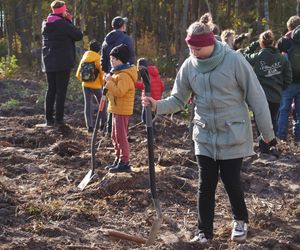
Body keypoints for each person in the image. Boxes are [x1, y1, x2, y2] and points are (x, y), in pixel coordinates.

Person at [142, 14, 276, 243]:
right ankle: (204, 231)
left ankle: (240, 219)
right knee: (205, 184)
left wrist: (268, 135)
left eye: (197, 49)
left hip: (233, 132)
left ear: (210, 43)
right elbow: (177, 100)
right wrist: (156, 105)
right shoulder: (189, 66)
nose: (194, 53)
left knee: (231, 181)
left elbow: (257, 96)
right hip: (204, 134)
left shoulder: (234, 60)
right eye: (191, 48)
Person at [242, 30, 292, 155]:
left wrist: (254, 44)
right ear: (273, 42)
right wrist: (281, 88)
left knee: (260, 121)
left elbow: (244, 55)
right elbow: (288, 78)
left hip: (259, 96)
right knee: (272, 121)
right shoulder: (282, 58)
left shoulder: (258, 56)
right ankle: (271, 147)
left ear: (261, 43)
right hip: (276, 96)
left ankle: (264, 148)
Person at [39, 0, 83, 127]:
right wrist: (69, 21)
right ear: (62, 11)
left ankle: (48, 120)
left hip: (48, 62)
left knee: (51, 90)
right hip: (63, 62)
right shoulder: (64, 24)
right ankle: (59, 120)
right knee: (61, 91)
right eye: (65, 9)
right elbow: (78, 35)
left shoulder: (45, 23)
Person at [104, 44, 138, 173]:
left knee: (120, 136)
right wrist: (107, 82)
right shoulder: (117, 74)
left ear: (121, 59)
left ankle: (124, 161)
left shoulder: (124, 75)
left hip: (122, 110)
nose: (111, 61)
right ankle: (118, 158)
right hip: (116, 109)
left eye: (114, 59)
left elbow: (119, 92)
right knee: (114, 135)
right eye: (111, 59)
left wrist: (110, 82)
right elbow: (111, 92)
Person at [101, 16, 135, 135]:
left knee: (111, 101)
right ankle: (119, 133)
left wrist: (107, 72)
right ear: (123, 26)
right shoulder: (127, 39)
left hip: (109, 74)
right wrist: (131, 71)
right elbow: (130, 58)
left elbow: (103, 59)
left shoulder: (106, 40)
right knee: (121, 102)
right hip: (122, 73)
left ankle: (109, 129)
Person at [276, 16, 300, 143]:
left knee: (284, 109)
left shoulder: (284, 41)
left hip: (288, 82)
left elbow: (276, 59)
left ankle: (281, 136)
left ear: (289, 27)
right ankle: (298, 138)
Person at [76, 40, 106, 133]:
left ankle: (89, 126)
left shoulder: (84, 57)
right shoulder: (98, 58)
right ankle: (103, 124)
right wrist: (103, 83)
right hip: (96, 85)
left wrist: (84, 80)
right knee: (102, 104)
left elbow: (78, 73)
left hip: (85, 85)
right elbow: (102, 73)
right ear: (98, 50)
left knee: (87, 104)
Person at [135, 58, 164, 132]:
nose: (138, 70)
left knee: (145, 118)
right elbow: (162, 87)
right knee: (151, 118)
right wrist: (158, 96)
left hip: (148, 100)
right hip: (156, 100)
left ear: (141, 67)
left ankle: (150, 134)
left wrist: (133, 83)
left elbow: (143, 85)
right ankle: (153, 132)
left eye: (138, 67)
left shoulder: (145, 74)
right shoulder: (155, 74)